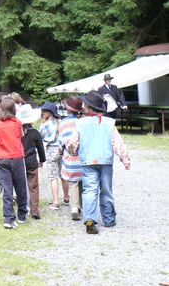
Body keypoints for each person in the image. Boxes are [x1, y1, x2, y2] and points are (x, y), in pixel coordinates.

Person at [65, 91, 130, 234]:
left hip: (88, 162)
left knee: (89, 190)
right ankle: (108, 219)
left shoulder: (80, 123)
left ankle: (90, 218)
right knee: (106, 190)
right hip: (106, 161)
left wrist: (73, 152)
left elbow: (73, 143)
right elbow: (117, 143)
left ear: (89, 107)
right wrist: (125, 159)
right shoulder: (109, 123)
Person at [0, 97, 28, 228]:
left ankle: (8, 219)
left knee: (7, 189)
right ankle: (22, 214)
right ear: (13, 109)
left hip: (2, 159)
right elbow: (21, 136)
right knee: (20, 187)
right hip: (17, 158)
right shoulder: (17, 123)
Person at [58, 96, 84, 221]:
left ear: (68, 109)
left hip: (70, 157)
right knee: (83, 182)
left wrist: (60, 151)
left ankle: (74, 208)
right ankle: (82, 206)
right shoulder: (83, 122)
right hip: (83, 157)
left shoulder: (63, 123)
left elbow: (61, 142)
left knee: (73, 182)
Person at [18, 104, 45, 220]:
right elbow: (40, 149)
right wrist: (42, 160)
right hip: (32, 161)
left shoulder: (17, 132)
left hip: (20, 161)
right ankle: (35, 210)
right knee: (33, 186)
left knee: (21, 185)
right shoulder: (35, 133)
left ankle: (23, 208)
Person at [39, 102, 62, 209]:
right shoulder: (59, 123)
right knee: (62, 175)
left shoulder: (46, 125)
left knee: (53, 177)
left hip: (51, 150)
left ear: (50, 113)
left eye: (44, 111)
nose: (43, 113)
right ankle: (66, 197)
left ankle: (56, 202)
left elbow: (40, 138)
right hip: (60, 150)